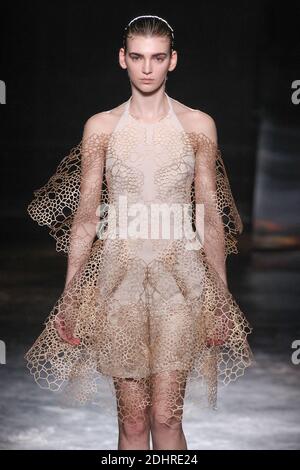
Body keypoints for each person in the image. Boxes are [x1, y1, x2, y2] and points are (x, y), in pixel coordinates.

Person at [25, 14, 254, 451]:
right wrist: (72, 296)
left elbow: (209, 217)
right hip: (118, 284)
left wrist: (219, 301)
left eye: (157, 57)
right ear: (122, 59)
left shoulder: (197, 126)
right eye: (137, 57)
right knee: (132, 423)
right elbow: (87, 218)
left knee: (167, 419)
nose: (146, 68)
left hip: (182, 285)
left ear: (172, 61)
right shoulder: (102, 127)